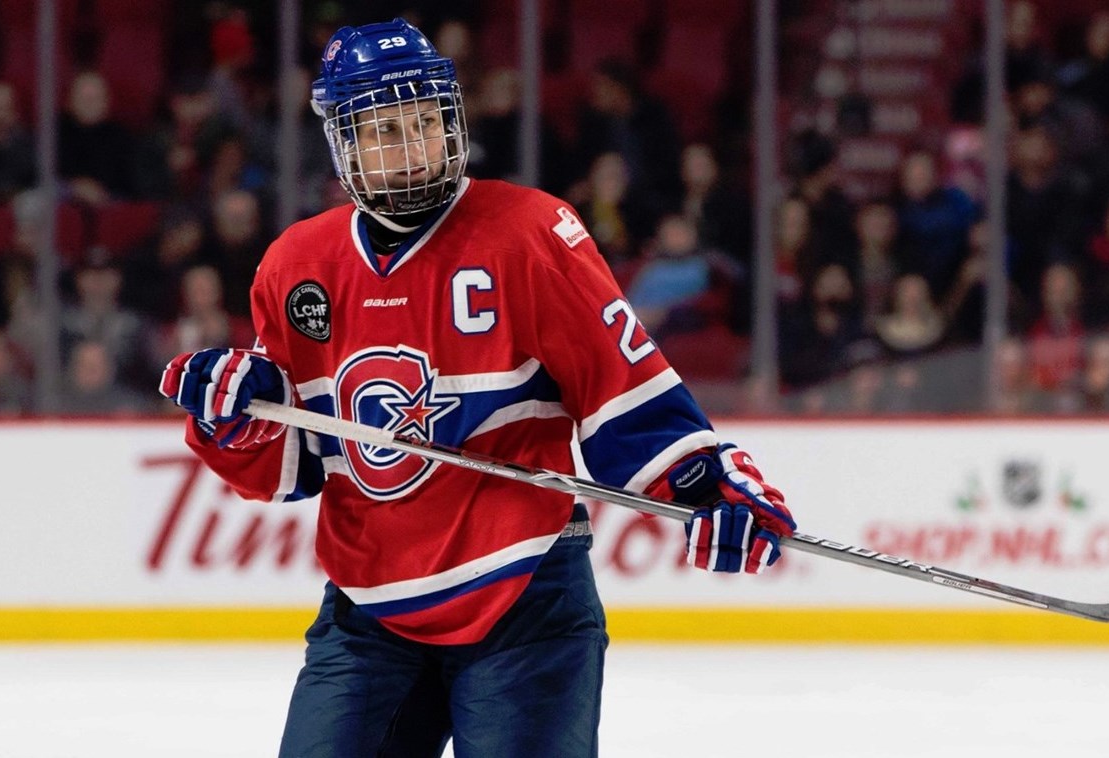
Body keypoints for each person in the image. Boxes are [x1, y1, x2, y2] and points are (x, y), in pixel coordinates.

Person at [158, 19, 796, 758]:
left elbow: (621, 386)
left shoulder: (528, 232)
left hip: (524, 600)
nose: (412, 145)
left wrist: (702, 482)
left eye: (424, 121)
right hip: (367, 617)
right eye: (385, 129)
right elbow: (295, 466)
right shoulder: (296, 265)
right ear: (344, 144)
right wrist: (237, 416)